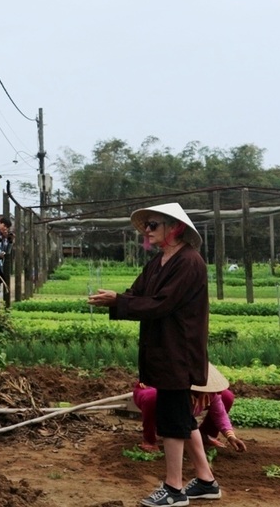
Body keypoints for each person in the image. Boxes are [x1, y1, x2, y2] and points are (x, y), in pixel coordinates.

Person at [88, 202, 218, 507]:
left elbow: (161, 303)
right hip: (163, 349)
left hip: (179, 351)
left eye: (153, 225)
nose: (146, 231)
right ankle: (207, 480)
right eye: (146, 226)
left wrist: (120, 302)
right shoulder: (159, 262)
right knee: (182, 418)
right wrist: (117, 299)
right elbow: (138, 294)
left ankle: (174, 489)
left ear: (175, 227)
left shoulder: (188, 262)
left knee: (173, 422)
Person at [134, 363, 246, 454]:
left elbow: (219, 414)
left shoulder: (211, 394)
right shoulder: (178, 388)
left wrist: (231, 436)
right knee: (152, 398)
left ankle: (205, 435)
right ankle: (149, 439)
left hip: (182, 409)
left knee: (226, 396)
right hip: (157, 395)